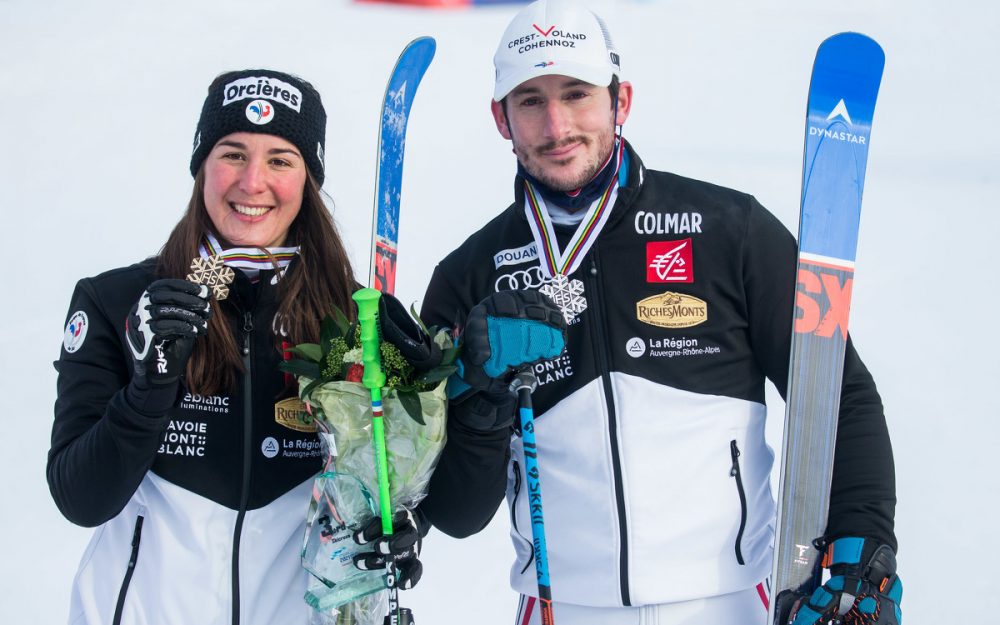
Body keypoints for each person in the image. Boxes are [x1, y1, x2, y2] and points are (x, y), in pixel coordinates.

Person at [416, 2, 902, 624]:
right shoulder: (469, 275)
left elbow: (841, 395)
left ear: (621, 101)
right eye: (530, 100)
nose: (557, 124)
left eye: (577, 93)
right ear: (500, 118)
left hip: (729, 603)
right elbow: (459, 514)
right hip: (560, 608)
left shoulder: (733, 231)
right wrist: (482, 402)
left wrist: (864, 549)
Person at [49, 69, 422, 625]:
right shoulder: (118, 302)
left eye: (279, 160)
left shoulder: (350, 324)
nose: (252, 183)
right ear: (202, 165)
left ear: (307, 180)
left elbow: (384, 493)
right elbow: (82, 499)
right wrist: (149, 387)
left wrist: (397, 529)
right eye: (232, 154)